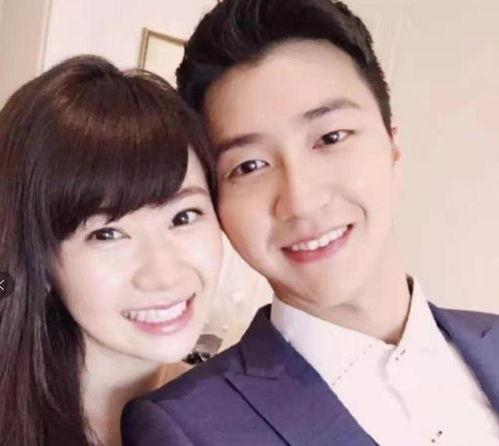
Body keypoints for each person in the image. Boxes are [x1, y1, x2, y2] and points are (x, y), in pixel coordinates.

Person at [121, 0, 499, 444]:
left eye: (331, 137)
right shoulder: (185, 427)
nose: (300, 201)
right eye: (249, 166)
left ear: (392, 146)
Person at [0, 55, 223, 445]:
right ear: (39, 260)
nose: (163, 274)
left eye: (184, 216)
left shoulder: (231, 420)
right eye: (108, 234)